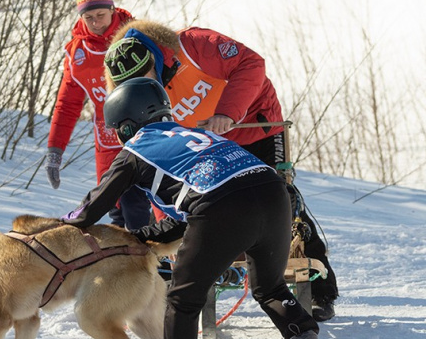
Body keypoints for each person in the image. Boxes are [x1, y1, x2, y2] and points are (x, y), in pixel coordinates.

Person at [61, 77, 331, 339]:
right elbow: (190, 213)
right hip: (272, 192)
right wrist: (143, 236)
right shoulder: (197, 134)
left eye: (117, 129)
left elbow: (88, 211)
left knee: (183, 300)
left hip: (220, 205)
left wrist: (58, 227)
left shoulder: (134, 151)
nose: (117, 137)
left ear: (128, 126)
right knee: (272, 288)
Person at [102, 19, 339, 320]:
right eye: (130, 84)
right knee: (208, 207)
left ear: (154, 57)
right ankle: (211, 278)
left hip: (254, 124)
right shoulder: (130, 103)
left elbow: (252, 65)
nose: (143, 85)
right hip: (208, 147)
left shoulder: (193, 45)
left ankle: (322, 290)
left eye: (145, 75)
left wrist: (227, 113)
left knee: (283, 200)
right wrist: (171, 221)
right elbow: (155, 168)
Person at [45, 0, 150, 230]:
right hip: (107, 138)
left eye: (100, 15)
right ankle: (126, 266)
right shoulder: (77, 53)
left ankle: (156, 262)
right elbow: (67, 105)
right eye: (88, 18)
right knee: (116, 209)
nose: (95, 23)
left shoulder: (138, 37)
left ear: (113, 10)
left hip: (145, 132)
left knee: (139, 204)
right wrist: (55, 151)